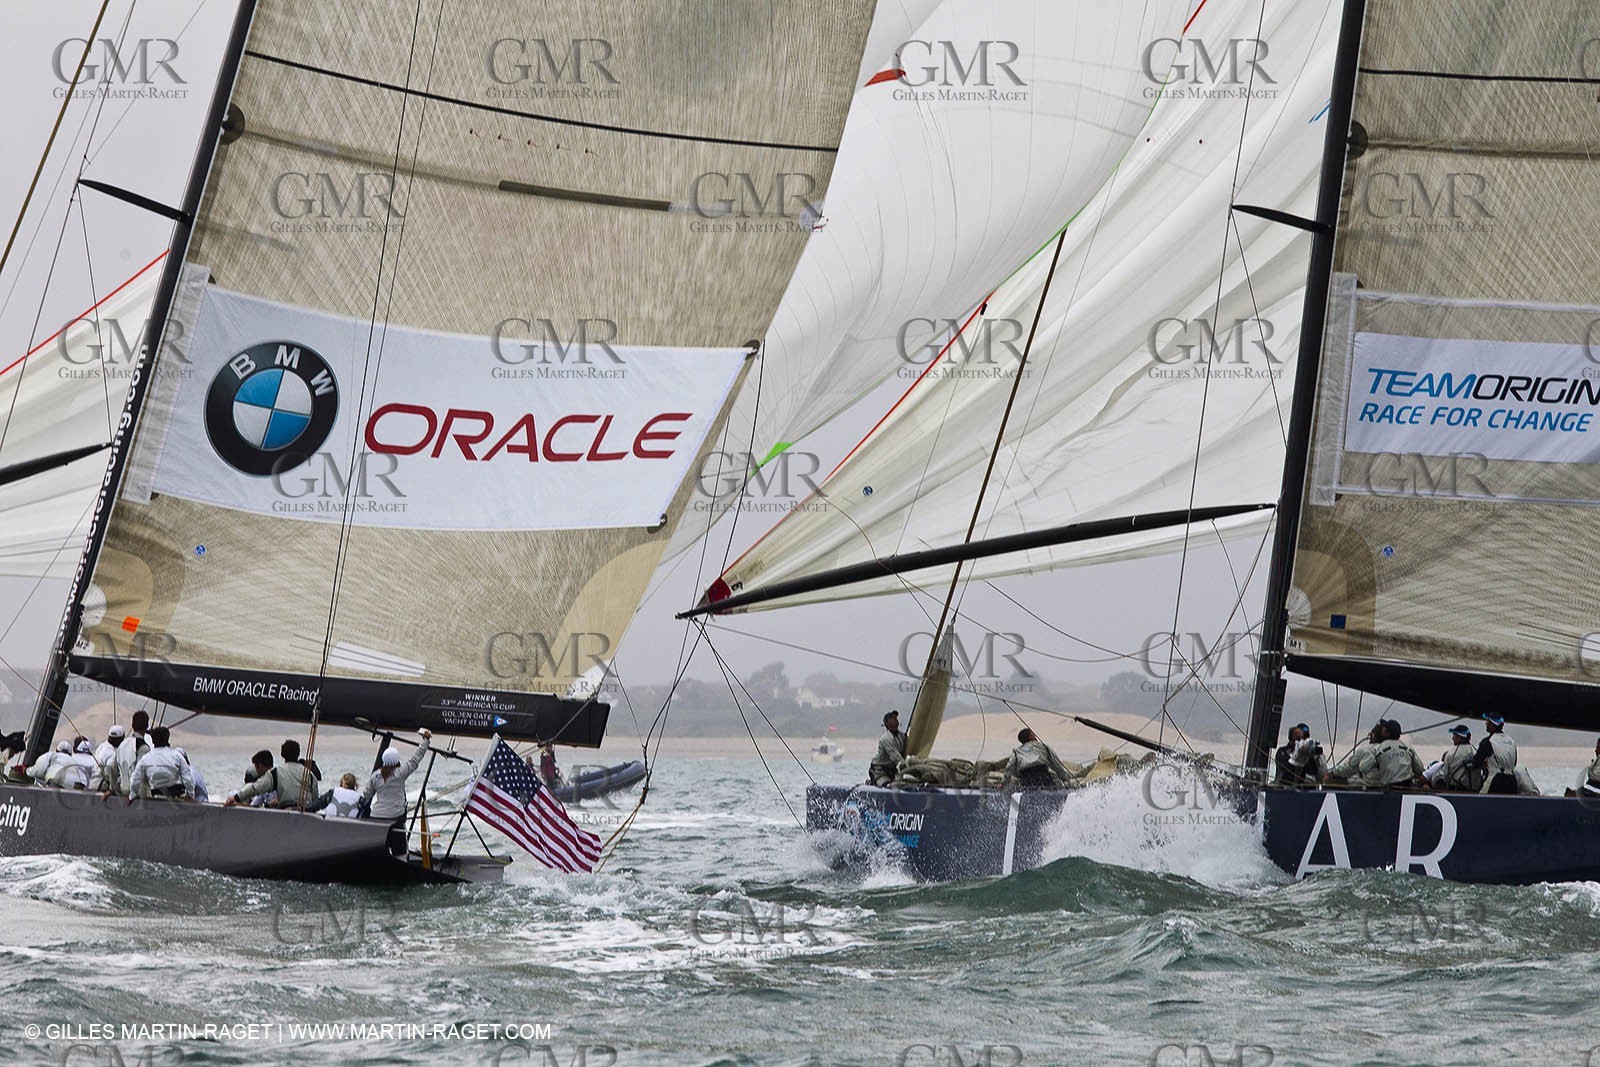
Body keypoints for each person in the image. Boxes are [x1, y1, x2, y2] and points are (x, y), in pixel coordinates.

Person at [360, 729, 432, 820]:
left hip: (375, 815)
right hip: (395, 816)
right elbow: (415, 759)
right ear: (397, 760)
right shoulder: (400, 773)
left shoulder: (375, 776)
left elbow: (366, 795)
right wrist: (426, 741)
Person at [225, 741, 320, 809]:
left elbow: (256, 788)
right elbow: (315, 799)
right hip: (306, 812)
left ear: (282, 754)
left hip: (286, 812)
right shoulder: (310, 774)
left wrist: (236, 798)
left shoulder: (276, 772)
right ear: (298, 753)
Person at [127, 726, 195, 800]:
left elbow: (135, 780)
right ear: (167, 739)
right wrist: (190, 795)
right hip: (176, 796)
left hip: (157, 796)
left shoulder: (145, 759)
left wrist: (132, 796)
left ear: (152, 741)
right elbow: (187, 779)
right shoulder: (177, 756)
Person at [1003, 728, 1076, 790]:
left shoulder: (1016, 752)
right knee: (1050, 791)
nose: (1035, 735)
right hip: (1043, 776)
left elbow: (1009, 768)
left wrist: (1004, 783)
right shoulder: (1043, 747)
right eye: (1033, 734)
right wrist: (1065, 779)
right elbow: (1056, 764)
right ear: (1030, 737)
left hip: (1026, 779)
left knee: (1028, 793)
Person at [1324, 723, 1386, 788]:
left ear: (1373, 735)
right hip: (1387, 786)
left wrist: (1332, 773)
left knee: (1330, 781)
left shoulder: (1365, 750)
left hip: (1369, 785)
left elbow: (1348, 768)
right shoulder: (1390, 751)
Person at [1372, 719, 1426, 788]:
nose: (1381, 730)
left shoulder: (1378, 749)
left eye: (1384, 729)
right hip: (1407, 787)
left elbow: (1366, 767)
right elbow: (1419, 768)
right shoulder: (1408, 748)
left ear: (1387, 733)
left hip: (1388, 789)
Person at [1473, 714, 1519, 794]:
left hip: (1495, 780)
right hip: (1512, 781)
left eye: (1487, 721)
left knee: (1481, 803)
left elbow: (1476, 762)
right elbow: (1514, 763)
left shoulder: (1487, 741)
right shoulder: (1512, 741)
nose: (1486, 724)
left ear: (1492, 725)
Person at [1427, 725, 1482, 792]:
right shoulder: (1476, 752)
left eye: (1454, 735)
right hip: (1475, 790)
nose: (1452, 738)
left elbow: (1445, 776)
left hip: (1455, 790)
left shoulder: (1451, 754)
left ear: (1459, 737)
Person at [111, 710, 152, 797]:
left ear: (132, 725)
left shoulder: (122, 745)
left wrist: (113, 789)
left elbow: (113, 769)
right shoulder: (144, 748)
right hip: (138, 795)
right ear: (147, 726)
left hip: (122, 792)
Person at [868, 710, 907, 787]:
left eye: (896, 718)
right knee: (887, 785)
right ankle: (872, 782)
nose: (895, 720)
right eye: (892, 719)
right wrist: (911, 768)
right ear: (886, 724)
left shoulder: (902, 736)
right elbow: (896, 758)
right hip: (879, 770)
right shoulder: (886, 739)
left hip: (892, 770)